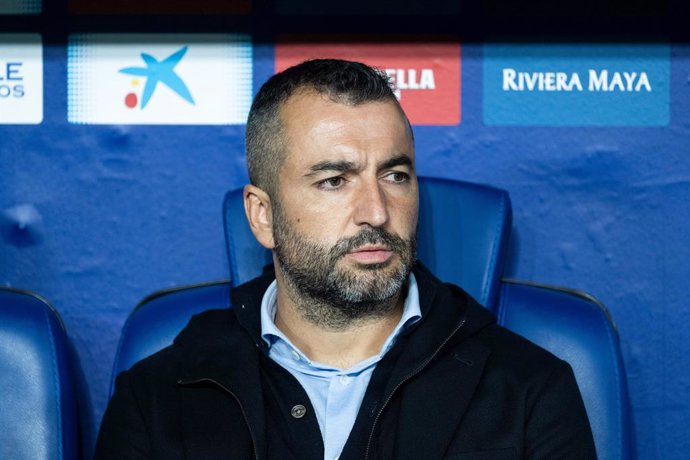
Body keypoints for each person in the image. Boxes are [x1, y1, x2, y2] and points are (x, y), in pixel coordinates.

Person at [95, 59, 596, 459]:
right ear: (262, 215)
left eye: (395, 175)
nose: (377, 212)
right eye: (334, 180)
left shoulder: (530, 388)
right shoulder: (157, 397)